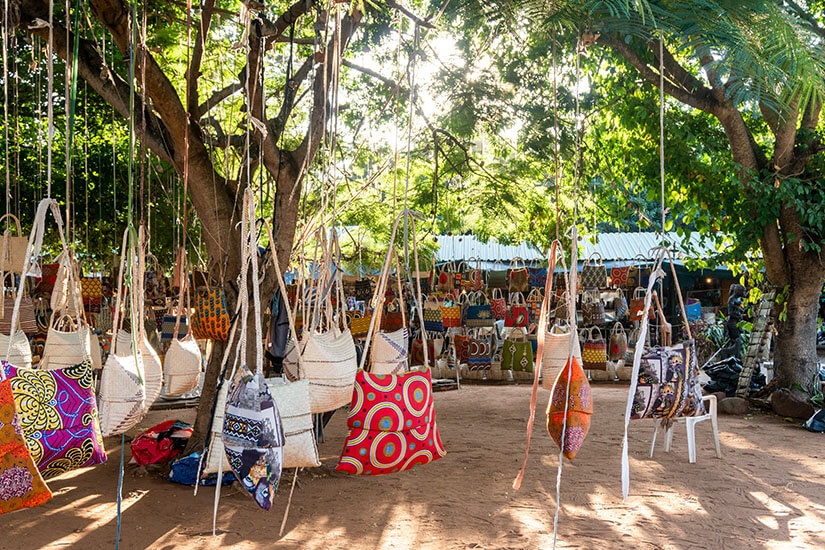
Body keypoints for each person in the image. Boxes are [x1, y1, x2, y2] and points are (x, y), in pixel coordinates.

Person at [725, 284, 746, 359]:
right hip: (732, 322)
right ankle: (727, 353)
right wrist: (739, 315)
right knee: (738, 341)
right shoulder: (732, 299)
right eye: (743, 291)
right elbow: (731, 313)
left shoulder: (740, 299)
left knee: (738, 342)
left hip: (736, 322)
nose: (744, 293)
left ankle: (736, 356)